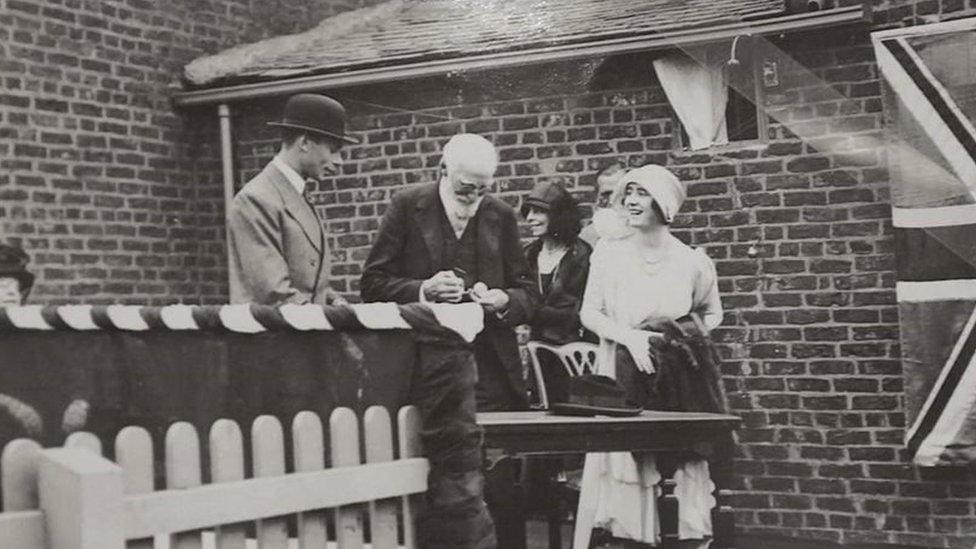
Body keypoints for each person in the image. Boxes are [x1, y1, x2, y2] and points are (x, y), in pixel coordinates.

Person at [361, 133, 539, 549]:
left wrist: (503, 300)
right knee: (435, 483)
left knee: (499, 488)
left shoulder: (501, 216)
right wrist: (423, 290)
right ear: (442, 171)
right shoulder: (408, 206)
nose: (473, 199)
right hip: (423, 372)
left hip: (490, 374)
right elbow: (372, 283)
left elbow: (529, 293)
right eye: (465, 189)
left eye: (482, 189)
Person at [576, 165, 724, 548]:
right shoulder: (610, 254)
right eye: (628, 193)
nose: (631, 201)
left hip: (676, 380)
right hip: (623, 371)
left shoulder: (691, 261)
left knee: (681, 465)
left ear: (665, 202)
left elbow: (711, 313)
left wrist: (679, 337)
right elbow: (588, 313)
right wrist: (630, 338)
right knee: (632, 464)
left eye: (641, 193)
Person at [228, 93, 356, 306]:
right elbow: (274, 294)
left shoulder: (295, 193)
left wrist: (335, 303)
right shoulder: (256, 199)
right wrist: (331, 321)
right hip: (275, 336)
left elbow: (310, 282)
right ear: (304, 142)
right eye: (333, 150)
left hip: (304, 331)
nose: (339, 161)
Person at [521, 180, 593, 403]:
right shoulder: (528, 255)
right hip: (537, 353)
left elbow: (573, 312)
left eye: (539, 212)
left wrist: (527, 310)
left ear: (559, 216)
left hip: (574, 355)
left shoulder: (581, 255)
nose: (530, 218)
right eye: (529, 211)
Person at [580, 161, 629, 248]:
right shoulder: (588, 237)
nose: (613, 199)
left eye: (621, 193)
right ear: (598, 197)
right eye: (607, 194)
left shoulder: (649, 232)